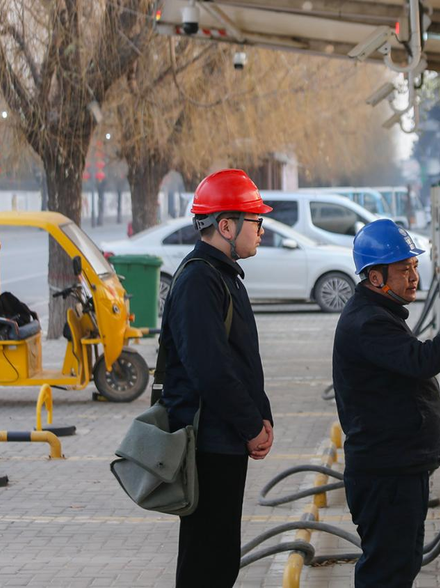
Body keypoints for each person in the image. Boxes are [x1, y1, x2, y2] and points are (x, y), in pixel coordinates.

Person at [332, 219, 440, 588]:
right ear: (375, 278)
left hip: (398, 467)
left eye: (414, 266)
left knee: (401, 565)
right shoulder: (368, 323)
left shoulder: (379, 313)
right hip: (386, 474)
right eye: (403, 269)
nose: (413, 276)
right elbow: (421, 360)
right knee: (387, 572)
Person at [159, 169, 275, 587]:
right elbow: (211, 369)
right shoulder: (198, 281)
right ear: (226, 225)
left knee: (221, 556)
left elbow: (241, 360)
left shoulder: (222, 275)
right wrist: (249, 425)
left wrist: (262, 417)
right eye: (256, 221)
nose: (262, 230)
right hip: (208, 443)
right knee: (206, 561)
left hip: (225, 439)